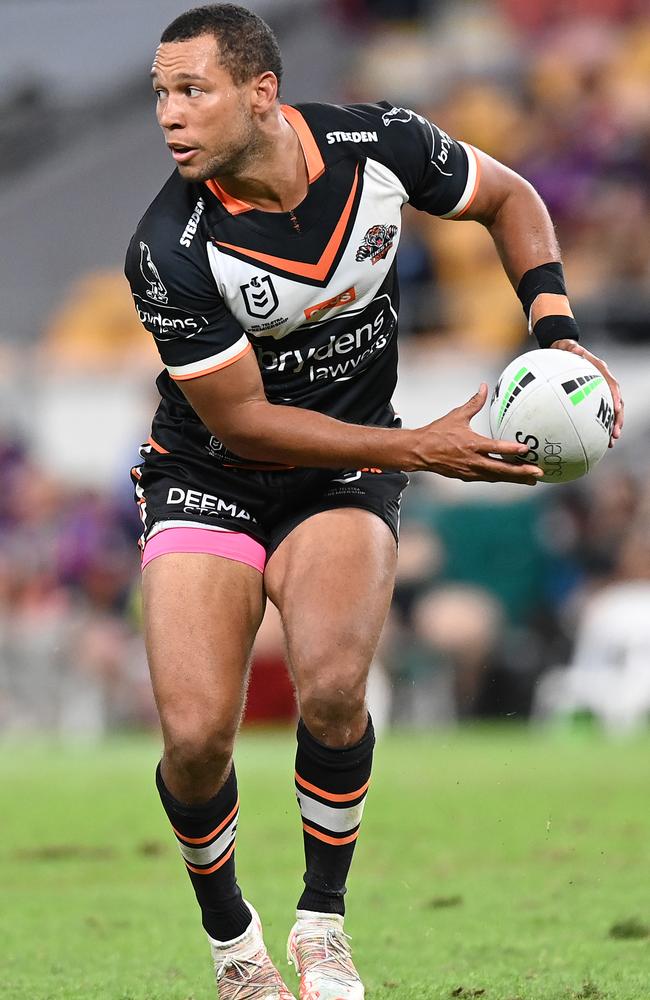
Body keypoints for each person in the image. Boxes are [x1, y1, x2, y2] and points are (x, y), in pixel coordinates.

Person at [124, 5, 623, 998]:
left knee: (335, 690)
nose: (170, 116)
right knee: (191, 739)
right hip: (208, 473)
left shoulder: (376, 144)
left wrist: (554, 326)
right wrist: (419, 443)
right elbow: (250, 424)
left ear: (261, 92)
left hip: (341, 478)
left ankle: (321, 924)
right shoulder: (169, 249)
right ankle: (236, 949)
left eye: (193, 90)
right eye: (159, 96)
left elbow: (510, 196)